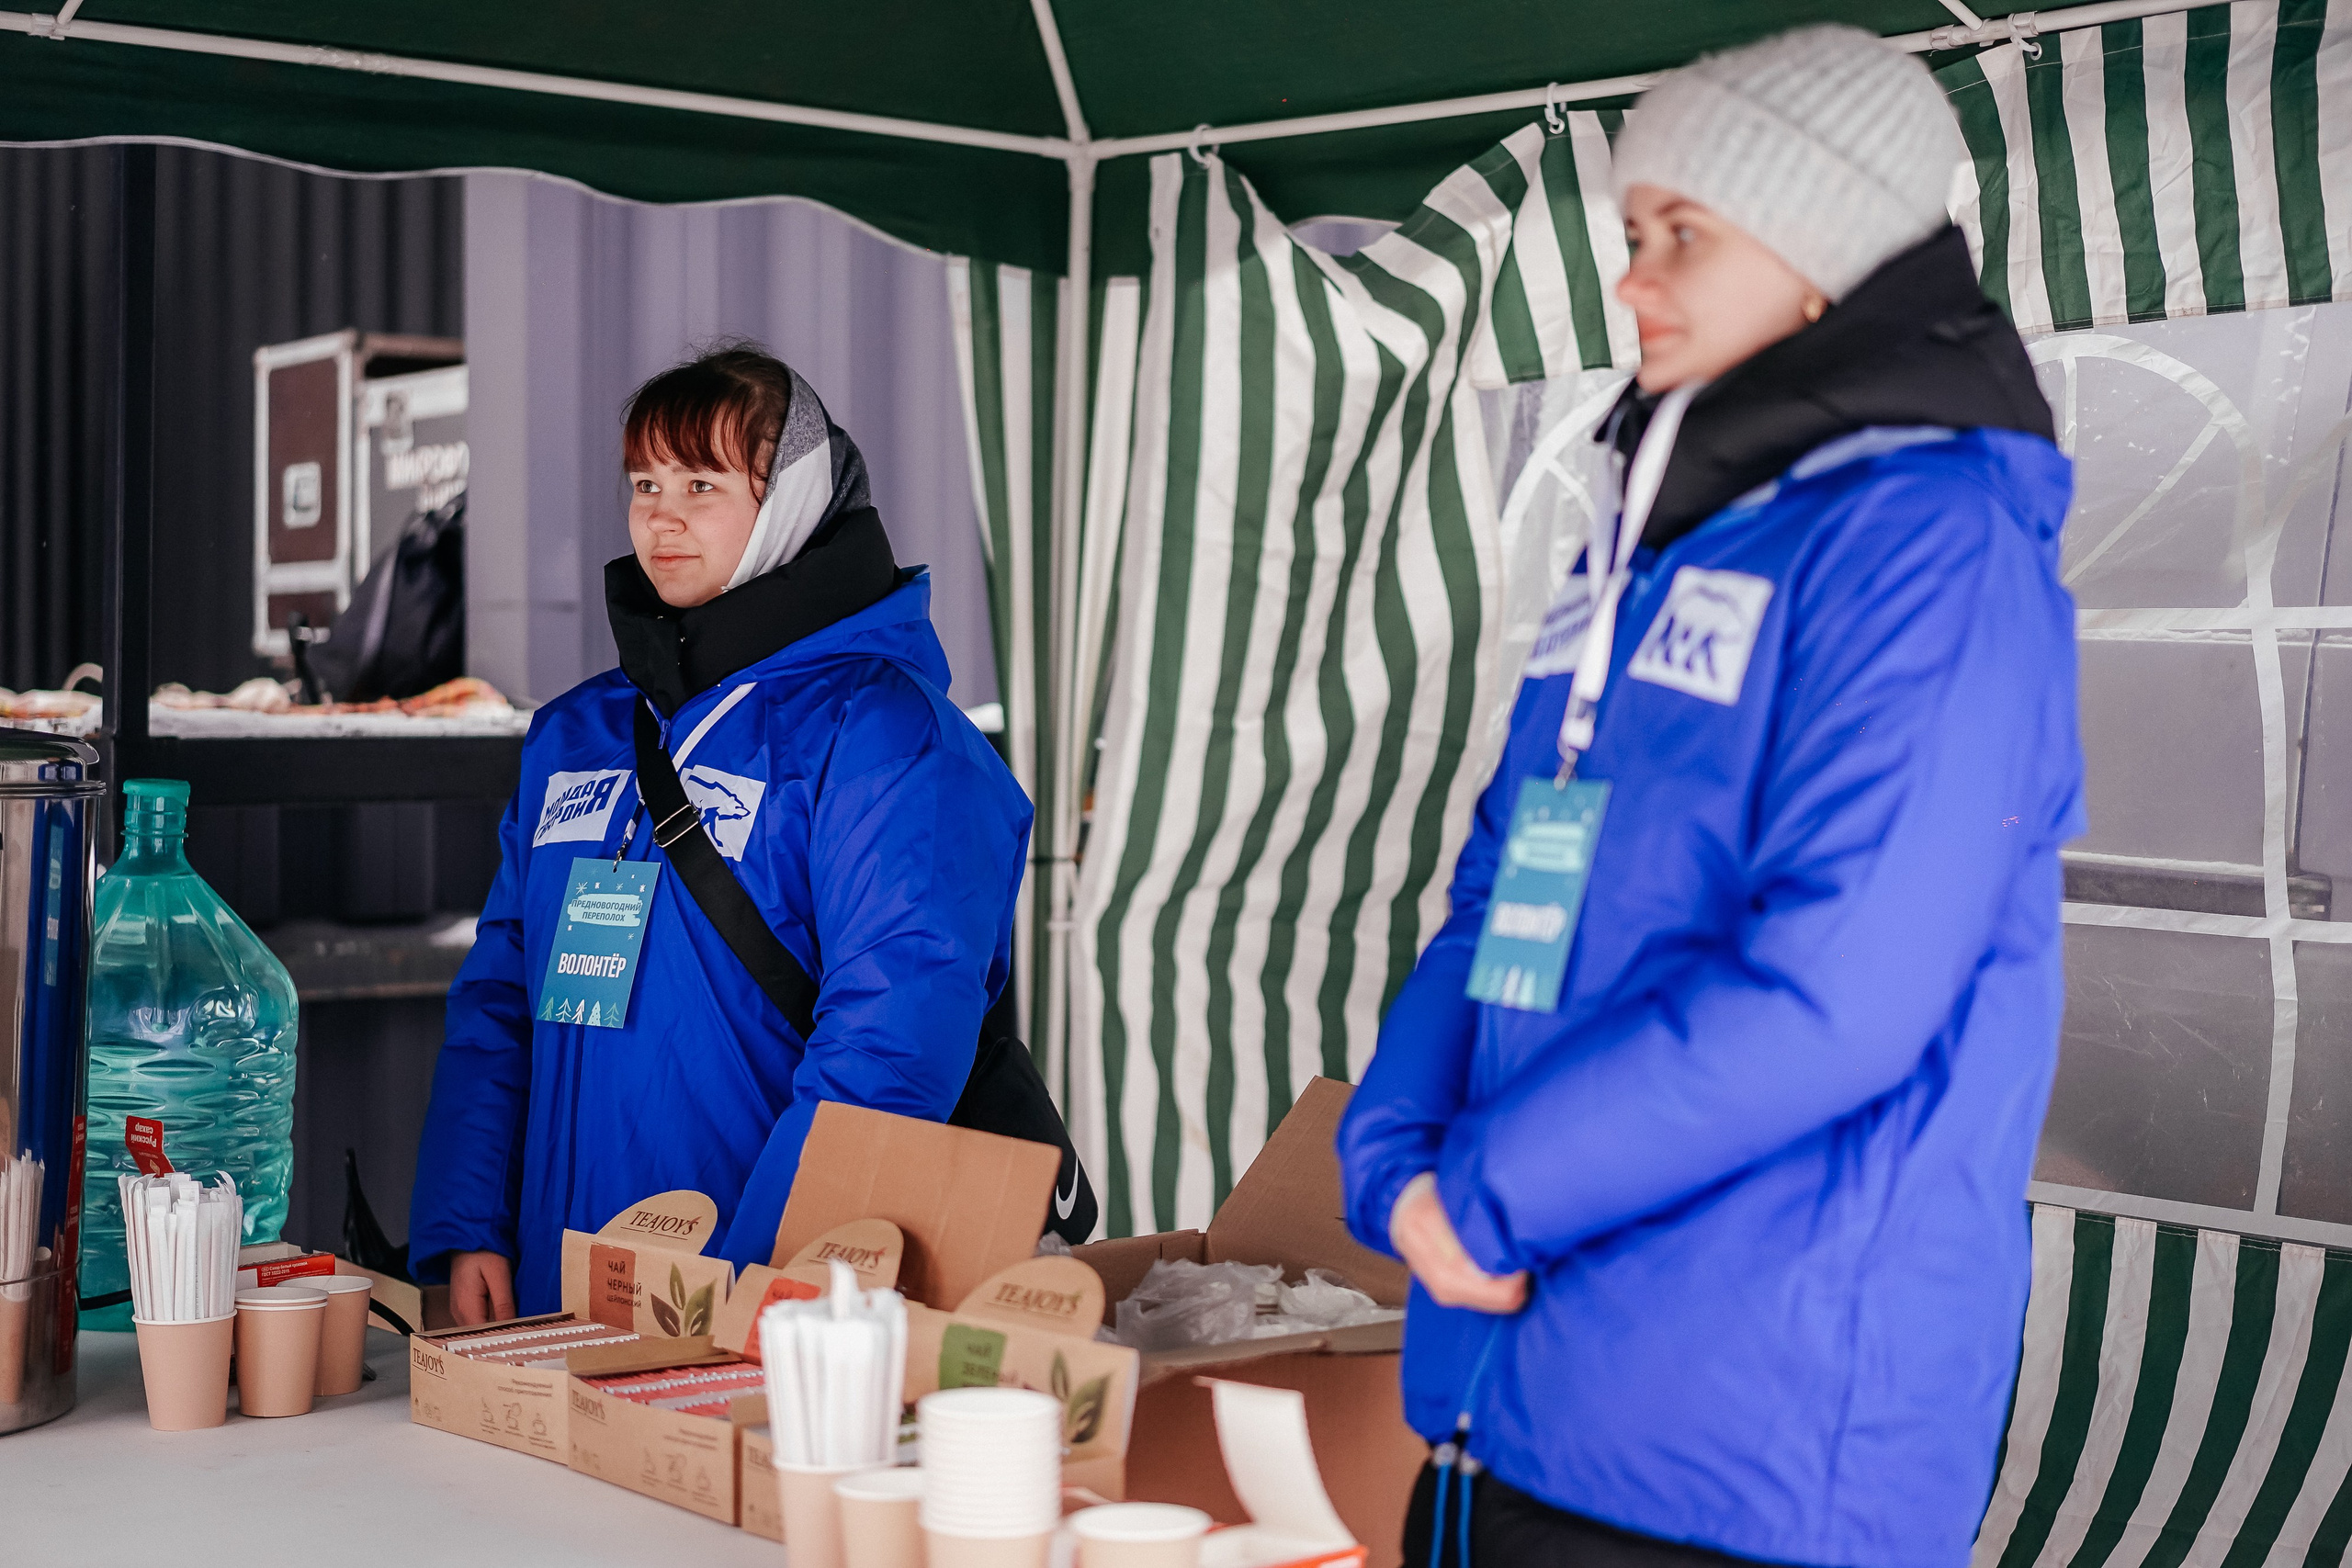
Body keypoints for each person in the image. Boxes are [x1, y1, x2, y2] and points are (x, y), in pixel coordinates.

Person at [1337, 26, 2080, 1568]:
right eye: (1629, 232)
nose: (1633, 280)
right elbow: (1506, 883)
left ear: (1826, 255)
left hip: (1746, 1445)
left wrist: (1482, 1194)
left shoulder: (1932, 543)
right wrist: (1393, 1148)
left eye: (1685, 233)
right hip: (1508, 1397)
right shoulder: (1657, 537)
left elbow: (1843, 986)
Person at [409, 344, 1031, 1322]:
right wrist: (468, 1221)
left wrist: (749, 1286)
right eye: (646, 481)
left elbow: (890, 1043)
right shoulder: (578, 731)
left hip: (757, 1310)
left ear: (792, 502)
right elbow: (499, 991)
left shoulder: (885, 737)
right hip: (549, 1286)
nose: (662, 514)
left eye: (702, 483)